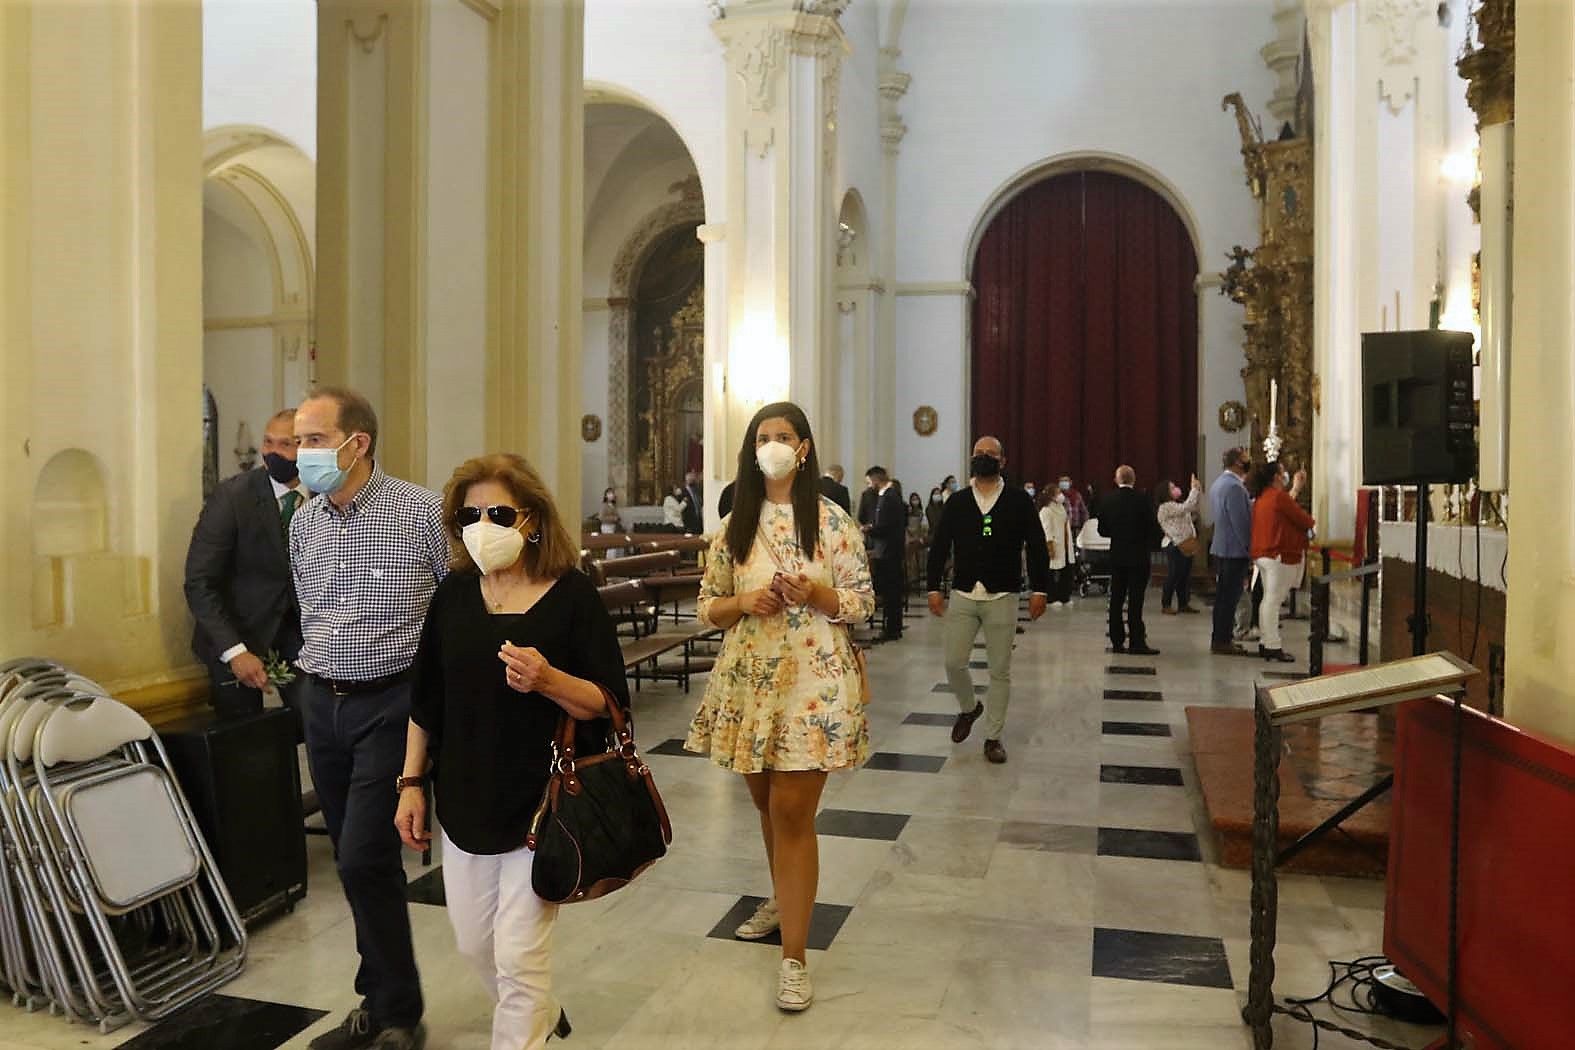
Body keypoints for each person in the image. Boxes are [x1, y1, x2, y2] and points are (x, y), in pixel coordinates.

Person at [396, 453, 626, 1050]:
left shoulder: (573, 597)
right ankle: (544, 1015)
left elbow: (607, 702)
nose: (483, 525)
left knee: (519, 955)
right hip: (466, 795)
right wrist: (411, 783)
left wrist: (549, 680)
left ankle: (526, 1025)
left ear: (531, 518)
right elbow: (427, 700)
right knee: (476, 944)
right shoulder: (451, 596)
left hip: (543, 799)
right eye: (469, 514)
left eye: (498, 512)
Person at [685, 401, 873, 1013]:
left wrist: (816, 593)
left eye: (783, 436)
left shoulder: (834, 520)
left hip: (813, 683)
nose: (771, 445)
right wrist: (745, 602)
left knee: (793, 812)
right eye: (762, 436)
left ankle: (794, 958)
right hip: (749, 682)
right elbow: (707, 606)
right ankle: (780, 898)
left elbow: (863, 602)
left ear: (804, 448)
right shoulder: (735, 523)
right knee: (767, 805)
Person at [291, 388, 447, 1050]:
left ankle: (398, 1012)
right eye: (299, 441)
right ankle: (379, 1000)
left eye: (315, 439)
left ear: (358, 443)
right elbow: (310, 608)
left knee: (360, 857)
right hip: (321, 702)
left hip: (393, 702)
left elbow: (460, 604)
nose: (304, 454)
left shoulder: (419, 513)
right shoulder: (304, 522)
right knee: (361, 859)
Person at [927, 436, 1050, 764]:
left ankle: (993, 737)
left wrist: (1040, 589)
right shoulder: (958, 501)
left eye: (990, 454)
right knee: (954, 662)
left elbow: (1036, 545)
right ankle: (970, 708)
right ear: (971, 458)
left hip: (1003, 594)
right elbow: (939, 545)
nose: (983, 458)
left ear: (1003, 461)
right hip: (964, 592)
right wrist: (932, 587)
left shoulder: (1018, 500)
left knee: (1000, 670)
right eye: (978, 454)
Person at [184, 408, 308, 721]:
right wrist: (235, 651)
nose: (273, 452)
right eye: (268, 442)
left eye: (285, 445)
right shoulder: (232, 497)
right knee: (245, 744)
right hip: (238, 634)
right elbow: (200, 582)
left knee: (316, 725)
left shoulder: (324, 496)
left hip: (301, 642)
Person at [1250, 463, 1315, 663]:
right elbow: (1303, 519)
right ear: (1277, 477)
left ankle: (1266, 641)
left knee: (1268, 600)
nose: (1285, 474)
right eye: (1282, 471)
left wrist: (1295, 489)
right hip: (1277, 554)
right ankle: (1272, 645)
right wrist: (1311, 524)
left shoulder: (1264, 496)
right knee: (1273, 601)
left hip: (1264, 553)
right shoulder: (1278, 496)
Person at [1098, 465, 1160, 656]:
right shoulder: (1143, 500)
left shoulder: (1108, 500)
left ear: (1117, 480)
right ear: (1133, 480)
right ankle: (1136, 642)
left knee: (1116, 599)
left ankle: (1117, 641)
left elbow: (1102, 530)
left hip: (1117, 556)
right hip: (1139, 557)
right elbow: (1153, 528)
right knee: (1136, 601)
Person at [1208, 447, 1254, 656]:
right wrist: (1250, 548)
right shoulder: (1234, 487)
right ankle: (1222, 639)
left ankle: (1220, 637)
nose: (1248, 462)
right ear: (1237, 462)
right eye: (1245, 459)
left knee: (1223, 597)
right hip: (1234, 550)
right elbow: (1241, 523)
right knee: (1229, 598)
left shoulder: (1219, 483)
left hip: (1223, 547)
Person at [865, 466, 907, 640]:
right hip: (889, 550)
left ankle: (891, 629)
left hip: (889, 551)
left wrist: (869, 530)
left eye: (869, 482)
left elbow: (886, 527)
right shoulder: (889, 495)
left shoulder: (889, 497)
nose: (868, 486)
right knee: (891, 592)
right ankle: (892, 628)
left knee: (891, 592)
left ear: (876, 480)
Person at [1156, 475, 1203, 615]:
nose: (1175, 489)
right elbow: (1186, 507)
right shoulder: (1165, 507)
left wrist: (1197, 492)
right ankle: (1166, 604)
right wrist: (1194, 489)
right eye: (1171, 488)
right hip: (1174, 545)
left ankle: (1183, 603)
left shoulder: (1176, 504)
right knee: (1174, 574)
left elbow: (1190, 508)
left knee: (1185, 574)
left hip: (1186, 543)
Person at [1037, 487, 1074, 607]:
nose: (1061, 495)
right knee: (1051, 572)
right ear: (1052, 496)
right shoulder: (1046, 510)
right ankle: (1051, 598)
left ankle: (1064, 597)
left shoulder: (1061, 508)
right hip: (1054, 544)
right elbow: (1046, 530)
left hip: (1065, 544)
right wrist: (1049, 546)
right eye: (1058, 493)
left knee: (1066, 571)